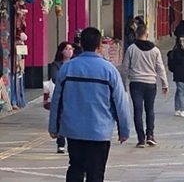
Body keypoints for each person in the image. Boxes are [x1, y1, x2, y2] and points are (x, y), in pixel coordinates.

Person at [49, 27, 130, 182]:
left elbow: (56, 101)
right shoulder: (109, 70)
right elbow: (120, 103)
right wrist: (124, 130)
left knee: (75, 168)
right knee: (96, 173)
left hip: (73, 131)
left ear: (81, 44)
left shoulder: (67, 68)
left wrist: (54, 127)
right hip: (99, 131)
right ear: (99, 46)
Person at [123, 24, 168, 147]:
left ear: (136, 34)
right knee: (150, 109)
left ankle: (141, 138)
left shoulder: (131, 49)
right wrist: (165, 83)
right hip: (150, 84)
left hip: (136, 83)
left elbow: (125, 68)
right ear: (146, 34)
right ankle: (150, 135)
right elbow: (160, 68)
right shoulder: (155, 50)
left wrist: (123, 84)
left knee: (138, 110)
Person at [50, 41, 74, 153]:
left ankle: (72, 141)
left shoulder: (75, 64)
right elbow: (55, 78)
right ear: (61, 51)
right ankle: (60, 143)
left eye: (71, 49)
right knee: (60, 117)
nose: (69, 51)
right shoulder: (56, 65)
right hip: (61, 94)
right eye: (67, 49)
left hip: (73, 95)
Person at [173, 36, 184, 117]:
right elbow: (179, 61)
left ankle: (177, 108)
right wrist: (183, 51)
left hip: (183, 73)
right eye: (181, 41)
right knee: (181, 91)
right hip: (179, 73)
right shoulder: (177, 51)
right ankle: (182, 109)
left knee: (179, 91)